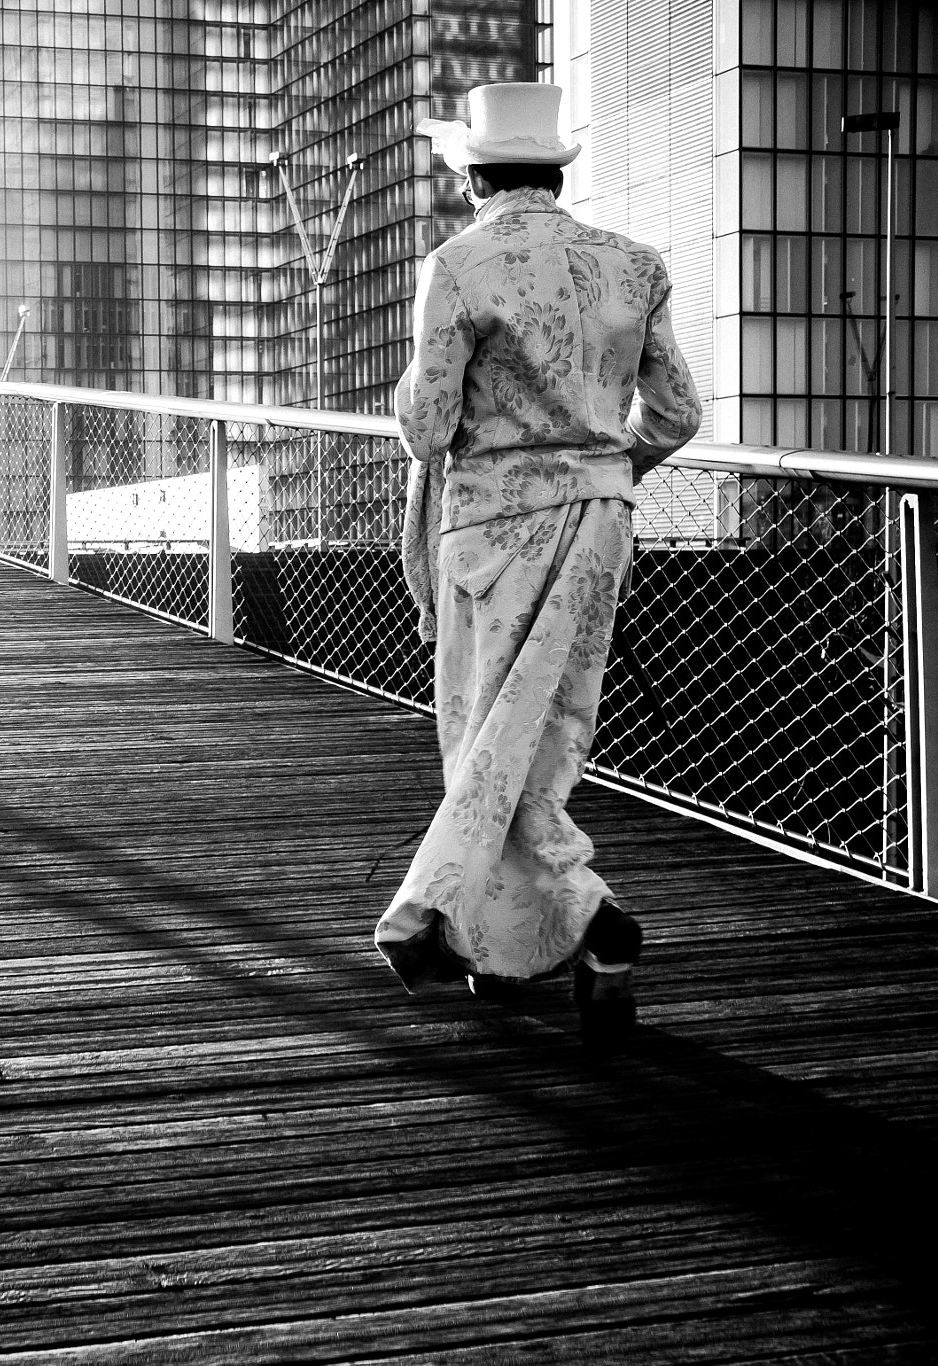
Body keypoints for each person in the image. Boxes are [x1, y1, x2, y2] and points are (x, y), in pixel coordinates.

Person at [373, 83, 701, 1044]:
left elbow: (427, 425)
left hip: (488, 530)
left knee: (485, 741)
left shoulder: (459, 264)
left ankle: (593, 924)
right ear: (554, 172)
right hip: (600, 522)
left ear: (472, 173)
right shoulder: (633, 265)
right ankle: (502, 946)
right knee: (545, 741)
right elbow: (677, 413)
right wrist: (602, 470)